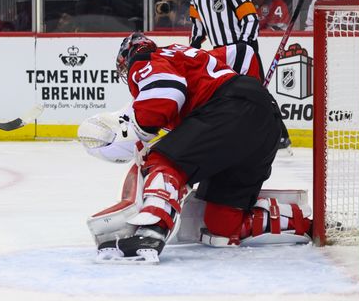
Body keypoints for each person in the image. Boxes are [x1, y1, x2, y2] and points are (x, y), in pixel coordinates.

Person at [80, 33, 311, 262]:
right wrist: (252, 96)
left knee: (161, 160)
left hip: (229, 110)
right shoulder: (185, 53)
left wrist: (143, 133)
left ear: (128, 56)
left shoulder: (145, 59)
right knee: (222, 226)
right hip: (266, 121)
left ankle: (151, 231)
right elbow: (245, 53)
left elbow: (167, 92)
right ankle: (306, 222)